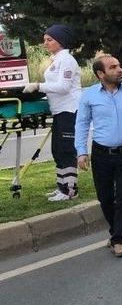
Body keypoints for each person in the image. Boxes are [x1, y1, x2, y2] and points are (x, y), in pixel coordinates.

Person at [74, 56, 122, 258]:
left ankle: (118, 240)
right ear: (101, 74)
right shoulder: (89, 96)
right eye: (113, 67)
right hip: (102, 154)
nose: (119, 69)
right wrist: (81, 152)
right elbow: (82, 124)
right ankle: (115, 233)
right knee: (106, 198)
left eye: (119, 65)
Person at [22, 24, 82, 201]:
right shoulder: (57, 59)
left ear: (61, 41)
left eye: (49, 40)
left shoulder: (67, 60)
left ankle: (70, 190)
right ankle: (62, 186)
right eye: (44, 40)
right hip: (59, 110)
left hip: (69, 110)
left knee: (65, 150)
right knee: (57, 150)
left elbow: (63, 87)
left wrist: (38, 86)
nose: (45, 43)